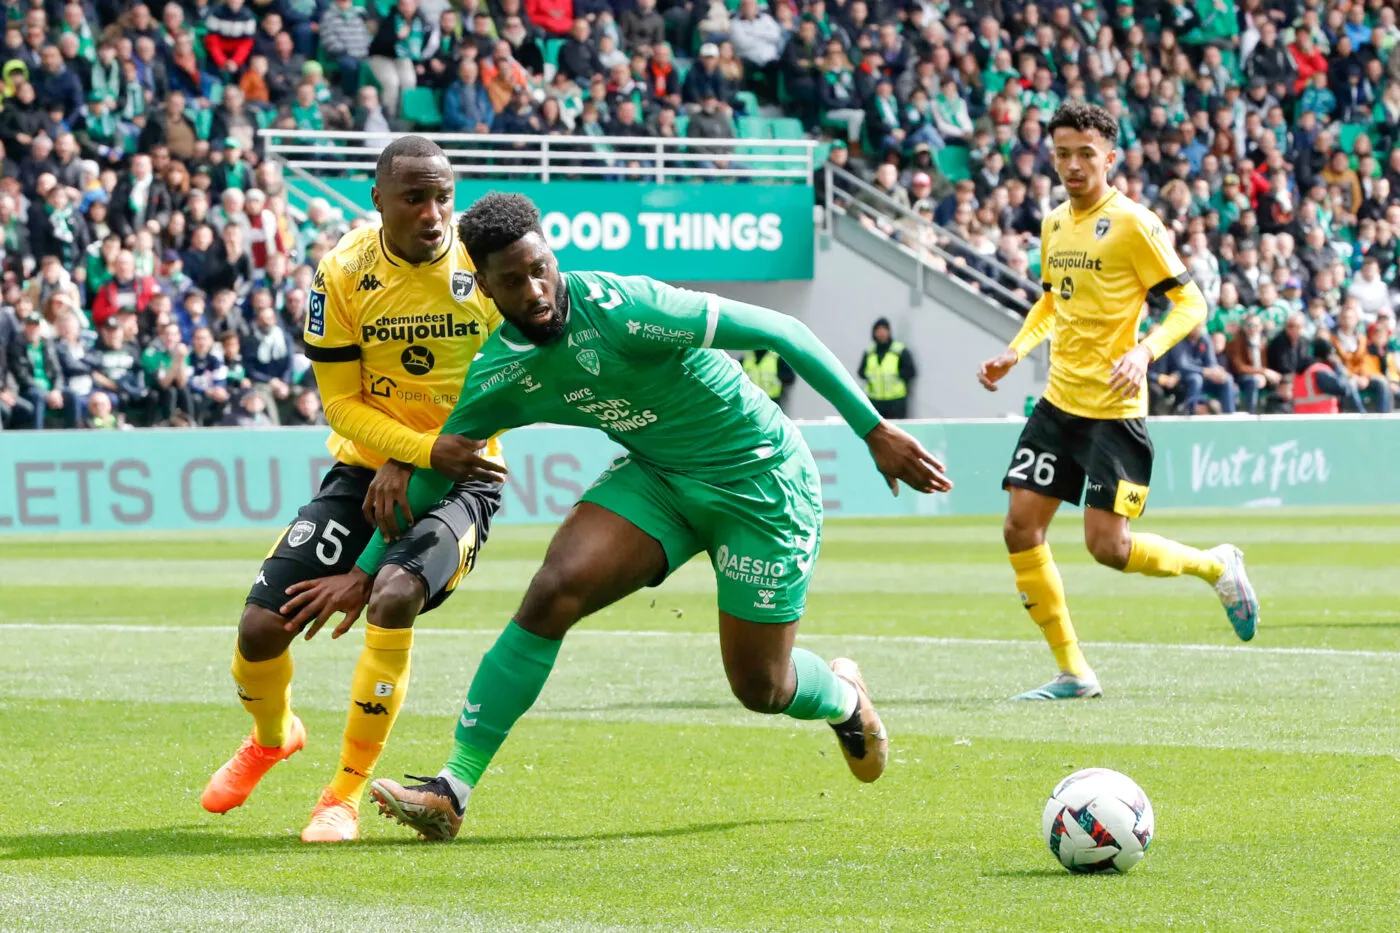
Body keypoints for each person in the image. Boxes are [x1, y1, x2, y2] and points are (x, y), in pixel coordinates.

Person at [282, 192, 951, 842]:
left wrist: (874, 430)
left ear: (552, 257)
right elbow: (437, 470)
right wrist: (365, 570)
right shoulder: (499, 372)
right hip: (659, 479)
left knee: (761, 686)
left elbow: (784, 331)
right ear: (484, 287)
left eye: (541, 269)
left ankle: (843, 696)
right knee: (552, 591)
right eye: (513, 281)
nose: (536, 291)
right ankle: (452, 788)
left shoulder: (626, 309)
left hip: (760, 482)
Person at [200, 137, 508, 844]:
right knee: (260, 627)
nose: (433, 213)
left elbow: (506, 387)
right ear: (378, 200)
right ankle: (273, 736)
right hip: (366, 469)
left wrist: (423, 458)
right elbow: (339, 404)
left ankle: (342, 794)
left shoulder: (482, 264)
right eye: (414, 198)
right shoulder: (342, 271)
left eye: (443, 197)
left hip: (465, 476)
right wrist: (407, 451)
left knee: (393, 594)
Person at [976, 101, 1259, 700]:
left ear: (1110, 158)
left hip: (1114, 410)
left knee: (1108, 547)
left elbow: (1191, 303)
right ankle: (1073, 671)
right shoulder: (1054, 224)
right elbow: (1052, 300)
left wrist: (1145, 352)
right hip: (1058, 404)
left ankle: (1215, 566)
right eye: (1063, 154)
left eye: (1086, 154)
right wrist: (1015, 351)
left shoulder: (1134, 224)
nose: (1073, 166)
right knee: (1020, 528)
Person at [857, 318, 914, 419]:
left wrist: (898, 377)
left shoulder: (898, 350)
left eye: (884, 330)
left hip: (896, 401)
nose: (881, 334)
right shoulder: (870, 352)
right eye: (878, 331)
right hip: (875, 400)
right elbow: (861, 372)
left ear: (889, 332)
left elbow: (910, 371)